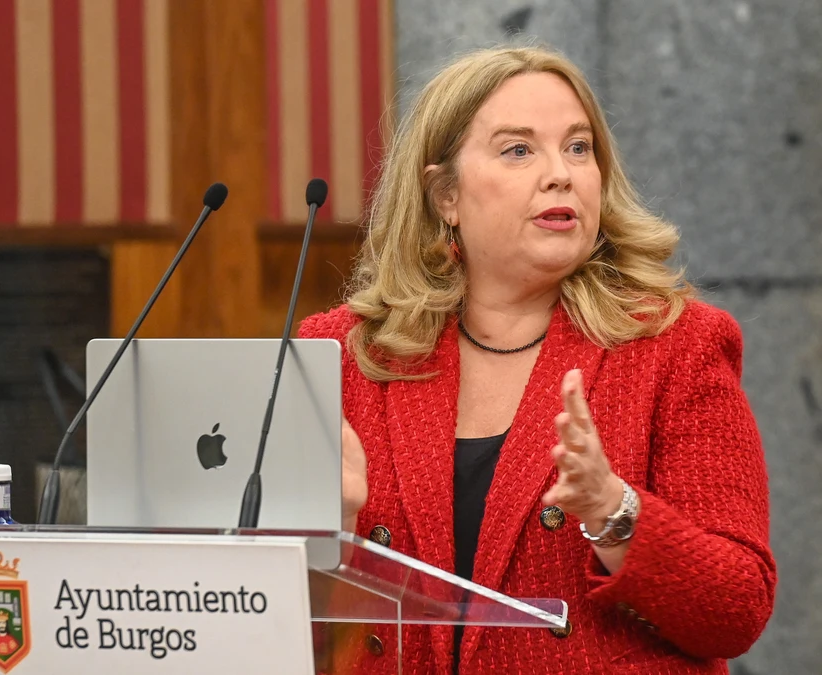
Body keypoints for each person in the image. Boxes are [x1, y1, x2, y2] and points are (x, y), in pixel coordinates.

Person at [300, 44, 776, 675]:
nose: (560, 174)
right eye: (518, 150)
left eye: (578, 148)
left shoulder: (675, 345)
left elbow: (737, 609)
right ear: (445, 195)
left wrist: (613, 511)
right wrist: (331, 531)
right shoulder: (345, 354)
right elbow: (274, 620)